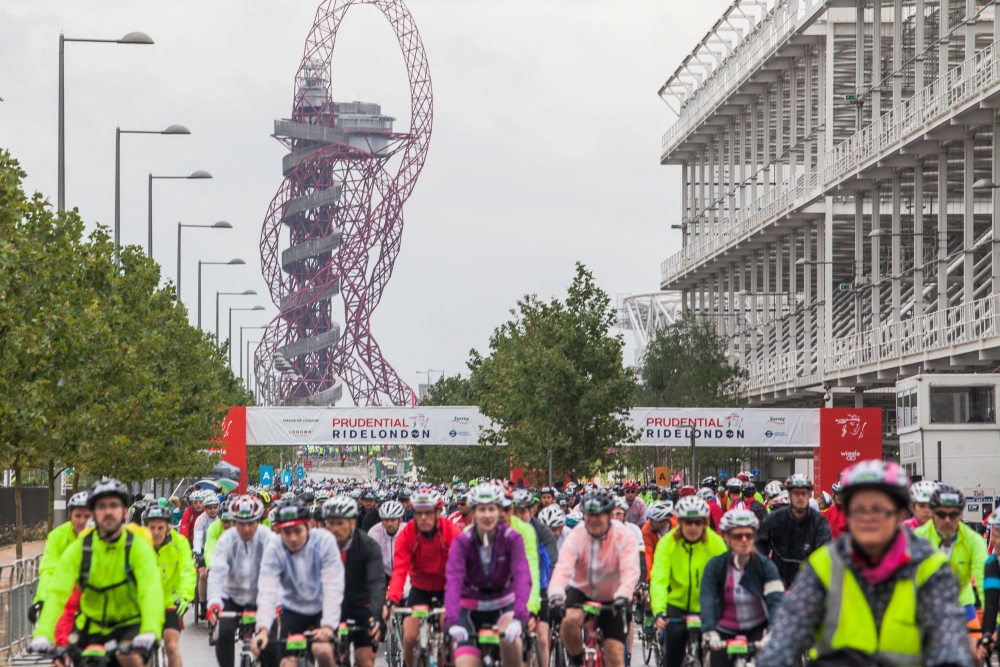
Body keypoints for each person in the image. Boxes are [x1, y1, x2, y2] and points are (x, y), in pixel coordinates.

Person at [757, 460, 974, 667]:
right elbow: (784, 638)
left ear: (900, 514)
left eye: (878, 509)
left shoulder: (930, 568)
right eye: (859, 509)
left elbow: (950, 642)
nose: (867, 518)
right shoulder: (824, 566)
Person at [30, 479, 163, 667]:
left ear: (125, 511)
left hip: (129, 624)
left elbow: (150, 589)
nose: (108, 511)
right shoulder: (79, 549)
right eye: (101, 506)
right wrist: (43, 633)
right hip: (90, 627)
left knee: (130, 658)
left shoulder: (138, 547)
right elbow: (58, 593)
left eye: (113, 505)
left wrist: (150, 630)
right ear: (93, 512)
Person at [549, 489, 640, 667]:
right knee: (567, 621)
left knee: (614, 653)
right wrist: (556, 595)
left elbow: (630, 570)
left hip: (615, 595)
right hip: (583, 590)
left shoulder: (624, 535)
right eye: (589, 515)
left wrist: (624, 595)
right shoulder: (577, 535)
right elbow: (562, 568)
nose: (593, 520)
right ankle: (576, 659)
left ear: (609, 514)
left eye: (598, 515)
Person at [444, 484, 531, 667]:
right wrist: (452, 620)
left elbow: (522, 576)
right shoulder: (462, 542)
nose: (487, 515)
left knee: (511, 644)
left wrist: (520, 617)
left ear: (499, 511)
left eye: (491, 509)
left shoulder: (512, 538)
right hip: (469, 610)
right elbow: (454, 580)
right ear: (473, 512)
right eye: (481, 509)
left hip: (503, 605)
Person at [252, 497, 345, 667]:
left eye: (298, 531)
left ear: (309, 526)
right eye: (287, 533)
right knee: (287, 663)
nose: (293, 538)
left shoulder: (325, 541)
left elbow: (333, 586)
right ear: (279, 531)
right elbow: (267, 591)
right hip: (293, 609)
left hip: (323, 607)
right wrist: (263, 629)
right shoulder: (274, 548)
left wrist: (328, 626)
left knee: (322, 650)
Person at [384, 488, 461, 667]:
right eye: (419, 513)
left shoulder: (451, 532)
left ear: (438, 512)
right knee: (409, 638)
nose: (423, 518)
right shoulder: (407, 534)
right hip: (419, 589)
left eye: (428, 513)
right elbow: (399, 570)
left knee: (448, 630)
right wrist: (393, 599)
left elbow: (459, 570)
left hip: (447, 588)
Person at [699, 509, 783, 667]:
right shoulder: (715, 566)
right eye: (738, 536)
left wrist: (774, 630)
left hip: (757, 631)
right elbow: (707, 599)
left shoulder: (765, 566)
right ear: (727, 537)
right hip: (723, 632)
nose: (744, 540)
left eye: (749, 535)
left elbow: (776, 600)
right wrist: (710, 631)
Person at [650, 496, 727, 667]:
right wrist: (660, 611)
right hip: (676, 607)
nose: (693, 527)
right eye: (688, 523)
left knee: (716, 656)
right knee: (673, 656)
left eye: (698, 523)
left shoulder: (716, 543)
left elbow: (726, 579)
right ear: (680, 523)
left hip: (707, 607)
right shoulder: (667, 543)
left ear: (704, 524)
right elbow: (659, 580)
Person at [915, 484, 988, 662]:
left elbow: (984, 582)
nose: (947, 520)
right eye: (941, 514)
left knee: (975, 654)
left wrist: (994, 625)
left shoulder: (974, 540)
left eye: (953, 514)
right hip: (926, 606)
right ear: (933, 513)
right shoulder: (918, 537)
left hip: (963, 604)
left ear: (961, 515)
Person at [207, 495, 272, 667]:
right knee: (224, 633)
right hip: (232, 596)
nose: (247, 529)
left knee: (272, 642)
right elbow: (217, 573)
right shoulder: (226, 540)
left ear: (258, 521)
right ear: (235, 523)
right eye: (241, 524)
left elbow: (276, 573)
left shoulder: (268, 538)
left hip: (262, 596)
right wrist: (214, 601)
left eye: (251, 523)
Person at [321, 496, 385, 667]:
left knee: (364, 661)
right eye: (330, 523)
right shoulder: (319, 546)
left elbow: (376, 584)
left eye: (340, 523)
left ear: (353, 522)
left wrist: (377, 617)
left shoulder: (368, 546)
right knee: (325, 656)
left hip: (361, 606)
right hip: (330, 607)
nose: (334, 529)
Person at [755, 473, 831, 588]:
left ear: (809, 495)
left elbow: (825, 554)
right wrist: (767, 570)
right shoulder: (775, 519)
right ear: (789, 496)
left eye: (804, 493)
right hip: (778, 581)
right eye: (796, 493)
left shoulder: (819, 522)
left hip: (809, 583)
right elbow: (759, 547)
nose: (800, 497)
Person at [144, 505, 196, 667]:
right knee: (137, 653)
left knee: (171, 646)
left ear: (168, 529)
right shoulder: (138, 544)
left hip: (170, 602)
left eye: (161, 528)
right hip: (144, 604)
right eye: (152, 528)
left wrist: (185, 596)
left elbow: (187, 571)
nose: (156, 532)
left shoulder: (179, 543)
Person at [29, 492, 91, 624]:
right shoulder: (57, 536)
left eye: (87, 516)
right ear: (70, 517)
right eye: (78, 516)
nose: (82, 521)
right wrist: (42, 598)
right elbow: (49, 570)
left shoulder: (103, 536)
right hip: (64, 599)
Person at [977, 512, 1000, 662]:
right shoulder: (992, 563)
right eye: (994, 534)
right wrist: (987, 634)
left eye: (998, 536)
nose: (994, 541)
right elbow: (991, 604)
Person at [368, 500, 405, 583]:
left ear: (400, 520)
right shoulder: (374, 532)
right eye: (385, 520)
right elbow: (370, 559)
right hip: (383, 573)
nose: (389, 524)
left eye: (392, 520)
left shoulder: (408, 531)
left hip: (404, 572)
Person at [641, 501, 674, 580]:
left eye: (653, 520)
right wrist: (649, 578)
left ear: (664, 521)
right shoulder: (646, 529)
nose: (650, 522)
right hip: (655, 564)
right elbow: (648, 554)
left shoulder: (677, 529)